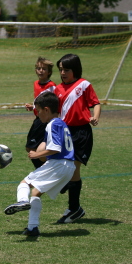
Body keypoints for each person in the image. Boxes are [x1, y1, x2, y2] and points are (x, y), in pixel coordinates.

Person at [4, 92, 76, 236]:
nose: (37, 114)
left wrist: (36, 154)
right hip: (69, 166)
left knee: (24, 183)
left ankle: (22, 201)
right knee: (36, 192)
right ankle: (33, 227)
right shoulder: (61, 123)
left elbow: (55, 148)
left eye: (38, 110)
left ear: (46, 110)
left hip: (59, 164)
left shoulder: (52, 124)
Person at [54, 53, 101, 224]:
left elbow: (95, 103)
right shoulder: (58, 89)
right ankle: (73, 205)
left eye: (66, 69)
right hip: (64, 133)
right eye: (60, 70)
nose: (63, 73)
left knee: (74, 170)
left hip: (81, 133)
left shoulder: (84, 85)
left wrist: (95, 116)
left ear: (75, 70)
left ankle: (74, 209)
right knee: (60, 166)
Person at [25, 57, 56, 169]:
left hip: (44, 121)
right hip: (38, 119)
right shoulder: (36, 84)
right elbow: (40, 101)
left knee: (34, 148)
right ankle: (43, 169)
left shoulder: (51, 86)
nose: (41, 70)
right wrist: (32, 106)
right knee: (30, 148)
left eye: (44, 68)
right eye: (38, 68)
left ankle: (43, 170)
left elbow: (52, 103)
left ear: (49, 72)